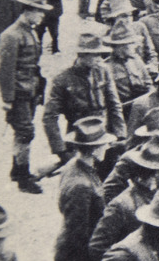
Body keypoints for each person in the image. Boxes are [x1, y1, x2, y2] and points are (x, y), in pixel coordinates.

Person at [54, 117, 116, 261]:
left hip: (72, 251)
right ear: (93, 148)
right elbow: (77, 232)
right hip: (77, 255)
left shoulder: (77, 167)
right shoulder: (80, 183)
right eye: (103, 144)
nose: (107, 148)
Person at [43, 33, 126, 169]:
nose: (99, 59)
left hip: (103, 135)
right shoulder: (62, 79)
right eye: (94, 55)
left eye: (100, 54)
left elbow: (114, 105)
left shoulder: (103, 72)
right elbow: (49, 117)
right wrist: (61, 151)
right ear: (82, 55)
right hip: (79, 138)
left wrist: (120, 136)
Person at [0, 0, 52, 193]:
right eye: (39, 12)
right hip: (19, 94)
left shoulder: (29, 30)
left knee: (22, 133)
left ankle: (16, 169)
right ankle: (23, 178)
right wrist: (7, 99)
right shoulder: (11, 35)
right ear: (28, 11)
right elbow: (5, 70)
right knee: (25, 133)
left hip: (29, 90)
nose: (41, 17)